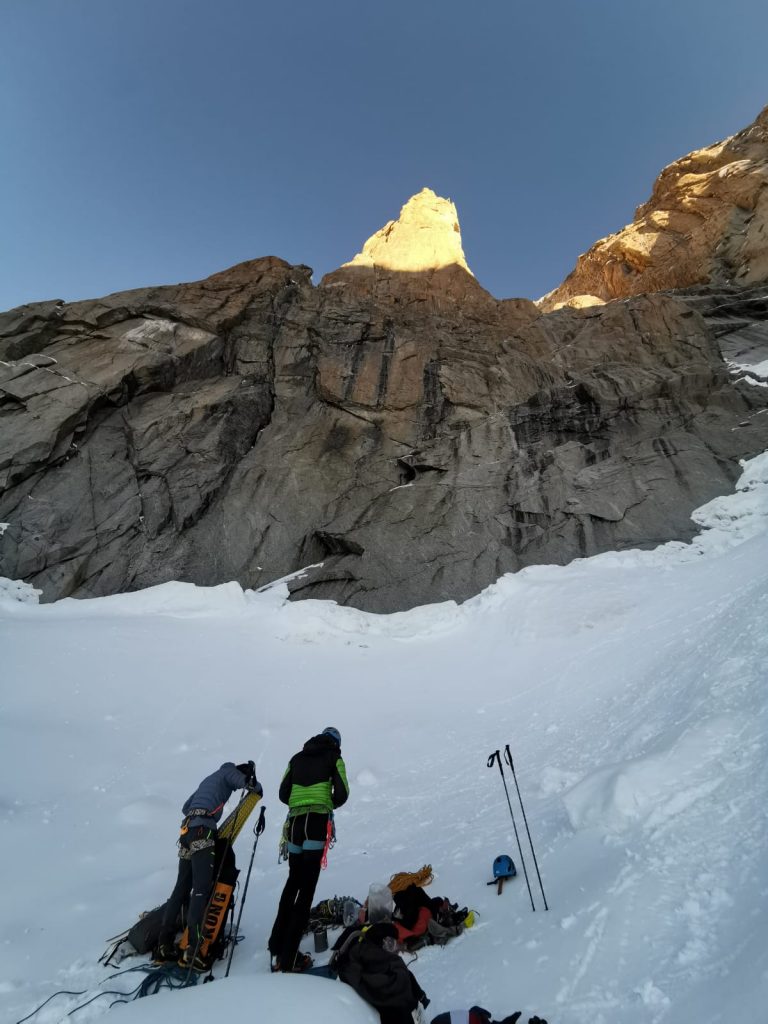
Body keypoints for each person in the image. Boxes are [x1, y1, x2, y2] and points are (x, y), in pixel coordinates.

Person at [155, 760, 261, 969]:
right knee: (201, 890)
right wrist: (254, 784)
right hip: (203, 831)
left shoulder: (209, 779)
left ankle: (163, 945)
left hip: (187, 832)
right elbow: (245, 782)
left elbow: (186, 807)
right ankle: (194, 950)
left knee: (181, 889)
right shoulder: (229, 772)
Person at [268, 727, 349, 972]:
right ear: (336, 743)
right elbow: (342, 793)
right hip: (316, 822)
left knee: (293, 882)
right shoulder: (334, 757)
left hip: (294, 824)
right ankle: (289, 958)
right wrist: (326, 802)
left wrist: (300, 801)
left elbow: (283, 793)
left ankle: (276, 945)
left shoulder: (296, 758)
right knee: (306, 889)